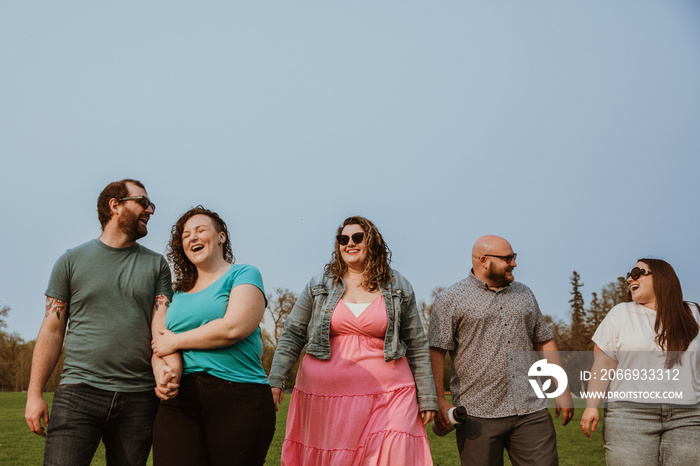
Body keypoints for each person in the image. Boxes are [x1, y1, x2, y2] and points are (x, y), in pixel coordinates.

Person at [24, 179, 176, 466]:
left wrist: (167, 370)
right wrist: (34, 394)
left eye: (151, 204)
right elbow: (52, 331)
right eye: (142, 202)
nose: (151, 210)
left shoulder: (157, 265)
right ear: (115, 205)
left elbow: (161, 327)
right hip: (78, 394)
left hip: (139, 398)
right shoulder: (71, 261)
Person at [268, 216, 437, 465]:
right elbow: (293, 334)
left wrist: (428, 396)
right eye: (343, 239)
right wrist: (276, 379)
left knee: (393, 448)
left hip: (391, 392)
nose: (349, 243)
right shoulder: (319, 284)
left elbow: (416, 343)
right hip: (325, 394)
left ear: (373, 242)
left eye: (357, 237)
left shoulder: (398, 285)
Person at [428, 235, 574, 466]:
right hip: (477, 413)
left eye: (513, 257)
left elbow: (544, 341)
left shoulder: (524, 293)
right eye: (508, 258)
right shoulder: (451, 298)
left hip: (531, 410)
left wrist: (562, 389)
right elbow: (436, 351)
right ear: (484, 261)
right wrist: (438, 399)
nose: (514, 263)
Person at [150, 206, 276, 466]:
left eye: (200, 230)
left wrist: (176, 340)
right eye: (185, 235)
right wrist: (162, 373)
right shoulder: (175, 293)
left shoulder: (244, 274)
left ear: (221, 237)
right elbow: (160, 342)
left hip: (240, 396)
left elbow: (233, 327)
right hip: (180, 401)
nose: (192, 238)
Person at [580, 259, 700, 465]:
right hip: (630, 416)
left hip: (689, 417)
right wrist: (592, 406)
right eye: (629, 274)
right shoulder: (620, 314)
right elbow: (603, 365)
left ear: (662, 277)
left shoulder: (694, 313)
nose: (629, 278)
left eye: (637, 273)